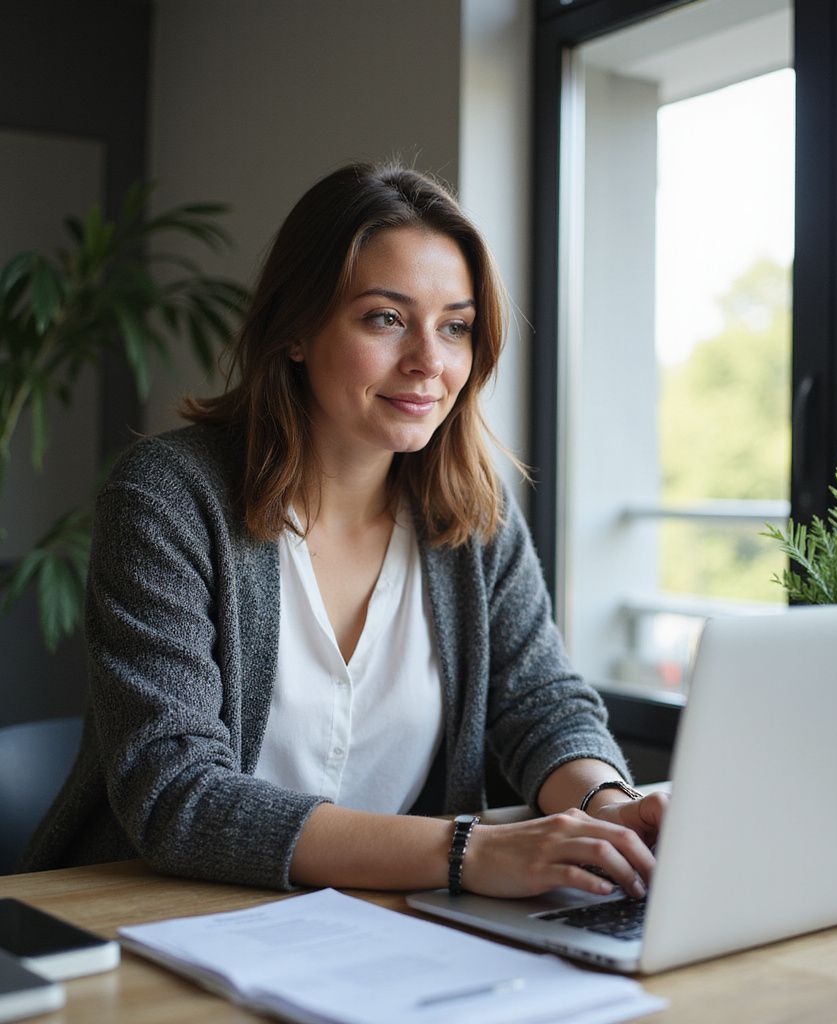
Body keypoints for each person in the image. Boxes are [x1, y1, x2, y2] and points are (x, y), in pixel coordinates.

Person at [22, 164, 666, 899]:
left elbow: (540, 704)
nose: (429, 361)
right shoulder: (167, 497)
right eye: (385, 319)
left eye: (455, 326)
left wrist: (612, 810)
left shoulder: (472, 511)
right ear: (296, 328)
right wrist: (469, 852)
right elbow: (178, 794)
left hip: (384, 924)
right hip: (153, 916)